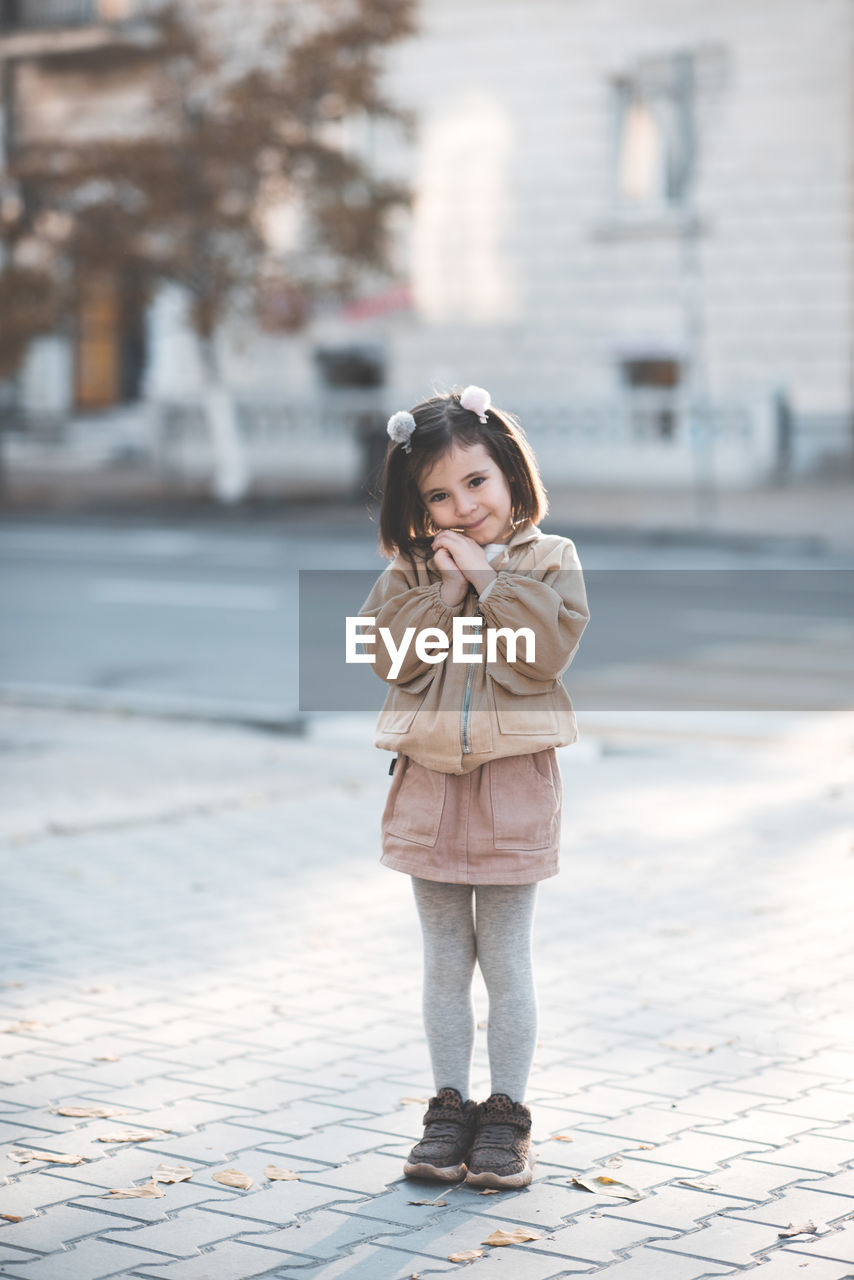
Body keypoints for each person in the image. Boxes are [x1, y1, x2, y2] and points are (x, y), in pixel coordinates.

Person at [358, 385, 589, 1189]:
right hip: (428, 785)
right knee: (444, 958)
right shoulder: (410, 570)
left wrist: (489, 580)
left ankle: (507, 1114)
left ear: (511, 474)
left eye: (477, 483)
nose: (461, 508)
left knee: (507, 958)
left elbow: (544, 653)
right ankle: (448, 1109)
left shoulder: (551, 559)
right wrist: (443, 592)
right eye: (438, 495)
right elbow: (385, 656)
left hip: (513, 787)